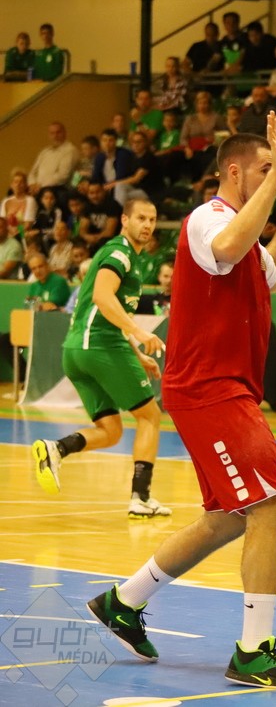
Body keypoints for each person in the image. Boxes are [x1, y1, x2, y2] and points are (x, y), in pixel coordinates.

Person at [83, 117, 276, 689]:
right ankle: (253, 652)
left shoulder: (247, 234)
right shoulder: (208, 218)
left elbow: (272, 269)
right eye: (265, 168)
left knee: (228, 517)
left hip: (224, 388)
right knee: (272, 505)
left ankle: (123, 601)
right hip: (208, 387)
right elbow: (229, 245)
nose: (275, 175)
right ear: (234, 172)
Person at [31, 197, 171, 517]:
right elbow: (102, 297)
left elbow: (107, 313)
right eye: (141, 218)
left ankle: (57, 448)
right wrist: (139, 333)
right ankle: (140, 498)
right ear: (124, 220)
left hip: (76, 351)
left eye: (152, 220)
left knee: (111, 430)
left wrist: (137, 355)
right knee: (150, 416)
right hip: (100, 347)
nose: (147, 225)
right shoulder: (119, 253)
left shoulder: (126, 257)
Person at [27, 122, 79, 195]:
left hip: (57, 190)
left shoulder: (70, 150)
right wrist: (32, 184)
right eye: (52, 133)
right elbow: (33, 172)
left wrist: (40, 185)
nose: (55, 136)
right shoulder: (44, 152)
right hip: (38, 189)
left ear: (65, 133)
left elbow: (63, 176)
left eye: (58, 132)